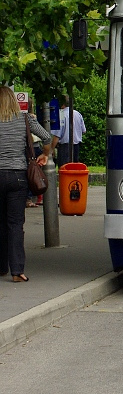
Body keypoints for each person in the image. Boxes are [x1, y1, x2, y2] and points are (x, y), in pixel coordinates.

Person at [0, 85, 52, 283]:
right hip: (18, 177)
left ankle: (1, 266)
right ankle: (17, 271)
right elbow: (46, 137)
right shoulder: (25, 120)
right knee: (15, 224)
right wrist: (45, 155)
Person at [51, 95, 86, 164]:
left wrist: (51, 149)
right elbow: (84, 130)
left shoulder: (61, 115)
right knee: (74, 170)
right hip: (76, 146)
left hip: (64, 147)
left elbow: (57, 135)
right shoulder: (78, 114)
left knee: (64, 169)